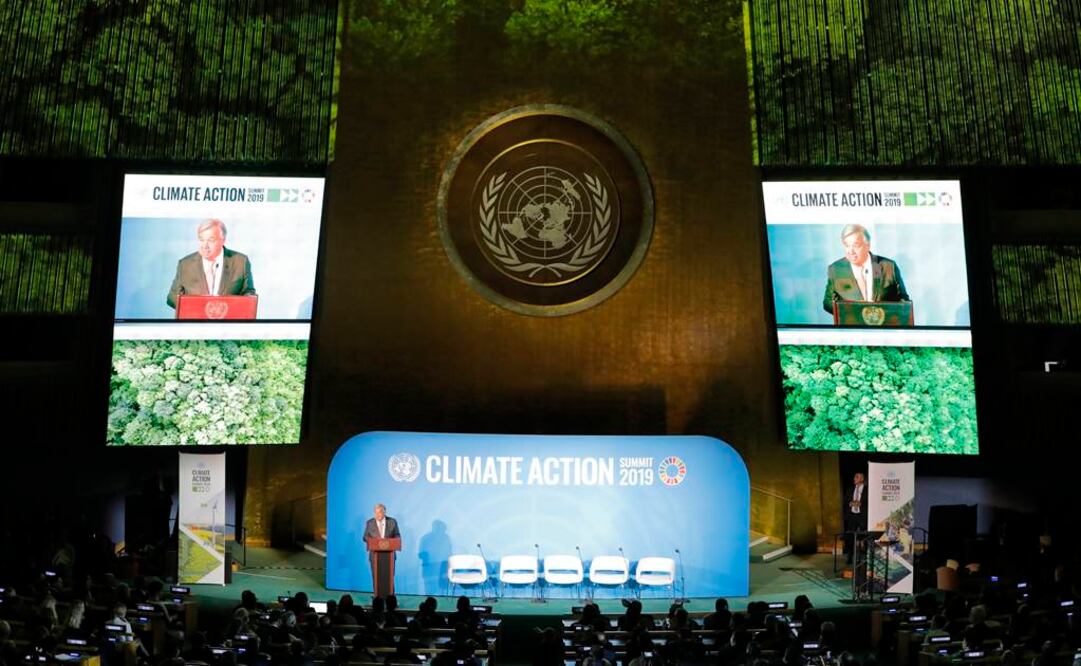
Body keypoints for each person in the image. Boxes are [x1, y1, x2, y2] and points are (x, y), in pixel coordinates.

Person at [166, 218, 256, 308]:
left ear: (223, 240)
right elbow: (172, 298)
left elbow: (249, 294)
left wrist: (230, 307)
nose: (205, 246)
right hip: (196, 320)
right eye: (201, 240)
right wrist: (194, 307)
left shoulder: (240, 262)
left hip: (228, 321)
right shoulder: (185, 265)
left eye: (211, 240)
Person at [822, 224, 909, 316]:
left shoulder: (888, 266)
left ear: (868, 245)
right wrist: (850, 311)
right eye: (847, 245)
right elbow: (827, 303)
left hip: (883, 326)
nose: (850, 251)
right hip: (853, 327)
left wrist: (884, 313)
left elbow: (903, 300)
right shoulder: (836, 269)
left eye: (855, 245)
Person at [365, 503, 401, 596]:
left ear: (384, 512)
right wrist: (373, 541)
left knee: (389, 577)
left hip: (389, 556)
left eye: (380, 512)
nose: (377, 515)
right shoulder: (370, 523)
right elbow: (365, 536)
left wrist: (390, 541)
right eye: (376, 512)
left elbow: (397, 535)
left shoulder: (392, 522)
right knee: (376, 577)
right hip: (375, 556)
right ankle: (377, 599)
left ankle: (391, 600)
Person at [843, 472, 868, 565]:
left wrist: (860, 504)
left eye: (856, 477)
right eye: (854, 477)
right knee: (850, 537)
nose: (854, 478)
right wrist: (851, 503)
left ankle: (865, 556)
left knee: (864, 537)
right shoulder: (850, 489)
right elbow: (846, 501)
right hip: (852, 516)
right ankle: (850, 557)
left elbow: (869, 502)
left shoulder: (867, 490)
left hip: (862, 516)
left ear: (862, 479)